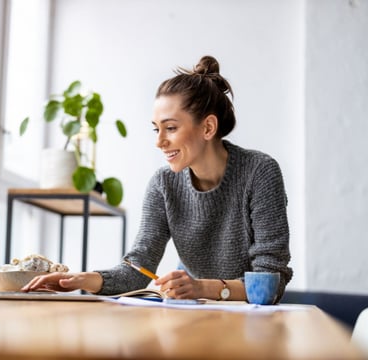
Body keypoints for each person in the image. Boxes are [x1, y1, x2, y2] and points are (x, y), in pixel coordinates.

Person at [22, 55, 293, 302]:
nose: (160, 142)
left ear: (208, 127)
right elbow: (138, 268)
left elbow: (271, 282)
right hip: (194, 314)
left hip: (253, 322)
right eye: (156, 130)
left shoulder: (260, 172)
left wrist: (201, 288)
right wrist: (82, 280)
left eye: (171, 128)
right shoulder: (163, 184)